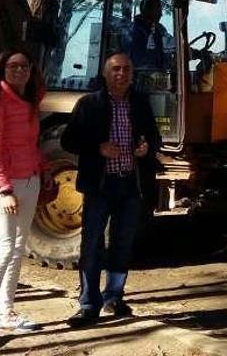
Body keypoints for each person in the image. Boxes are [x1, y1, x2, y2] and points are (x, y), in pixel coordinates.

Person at [61, 52, 161, 327]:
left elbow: (154, 137)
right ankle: (88, 304)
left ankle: (114, 297)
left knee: (123, 243)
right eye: (116, 69)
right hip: (100, 186)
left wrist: (146, 148)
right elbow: (69, 140)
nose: (121, 74)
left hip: (130, 184)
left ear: (132, 75)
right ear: (105, 74)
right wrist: (98, 148)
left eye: (126, 70)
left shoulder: (140, 104)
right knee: (92, 244)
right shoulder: (88, 104)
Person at [0, 47, 46, 349]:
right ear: (2, 69)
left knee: (17, 249)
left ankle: (6, 312)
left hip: (30, 181)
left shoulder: (30, 100)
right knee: (3, 250)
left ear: (31, 70)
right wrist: (4, 190)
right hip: (2, 186)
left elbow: (30, 143)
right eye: (12, 66)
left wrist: (43, 168)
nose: (19, 71)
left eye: (24, 66)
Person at [129, 0, 170, 69]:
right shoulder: (137, 31)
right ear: (149, 11)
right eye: (158, 10)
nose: (161, 14)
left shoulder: (158, 29)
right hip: (146, 74)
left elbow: (171, 43)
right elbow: (141, 59)